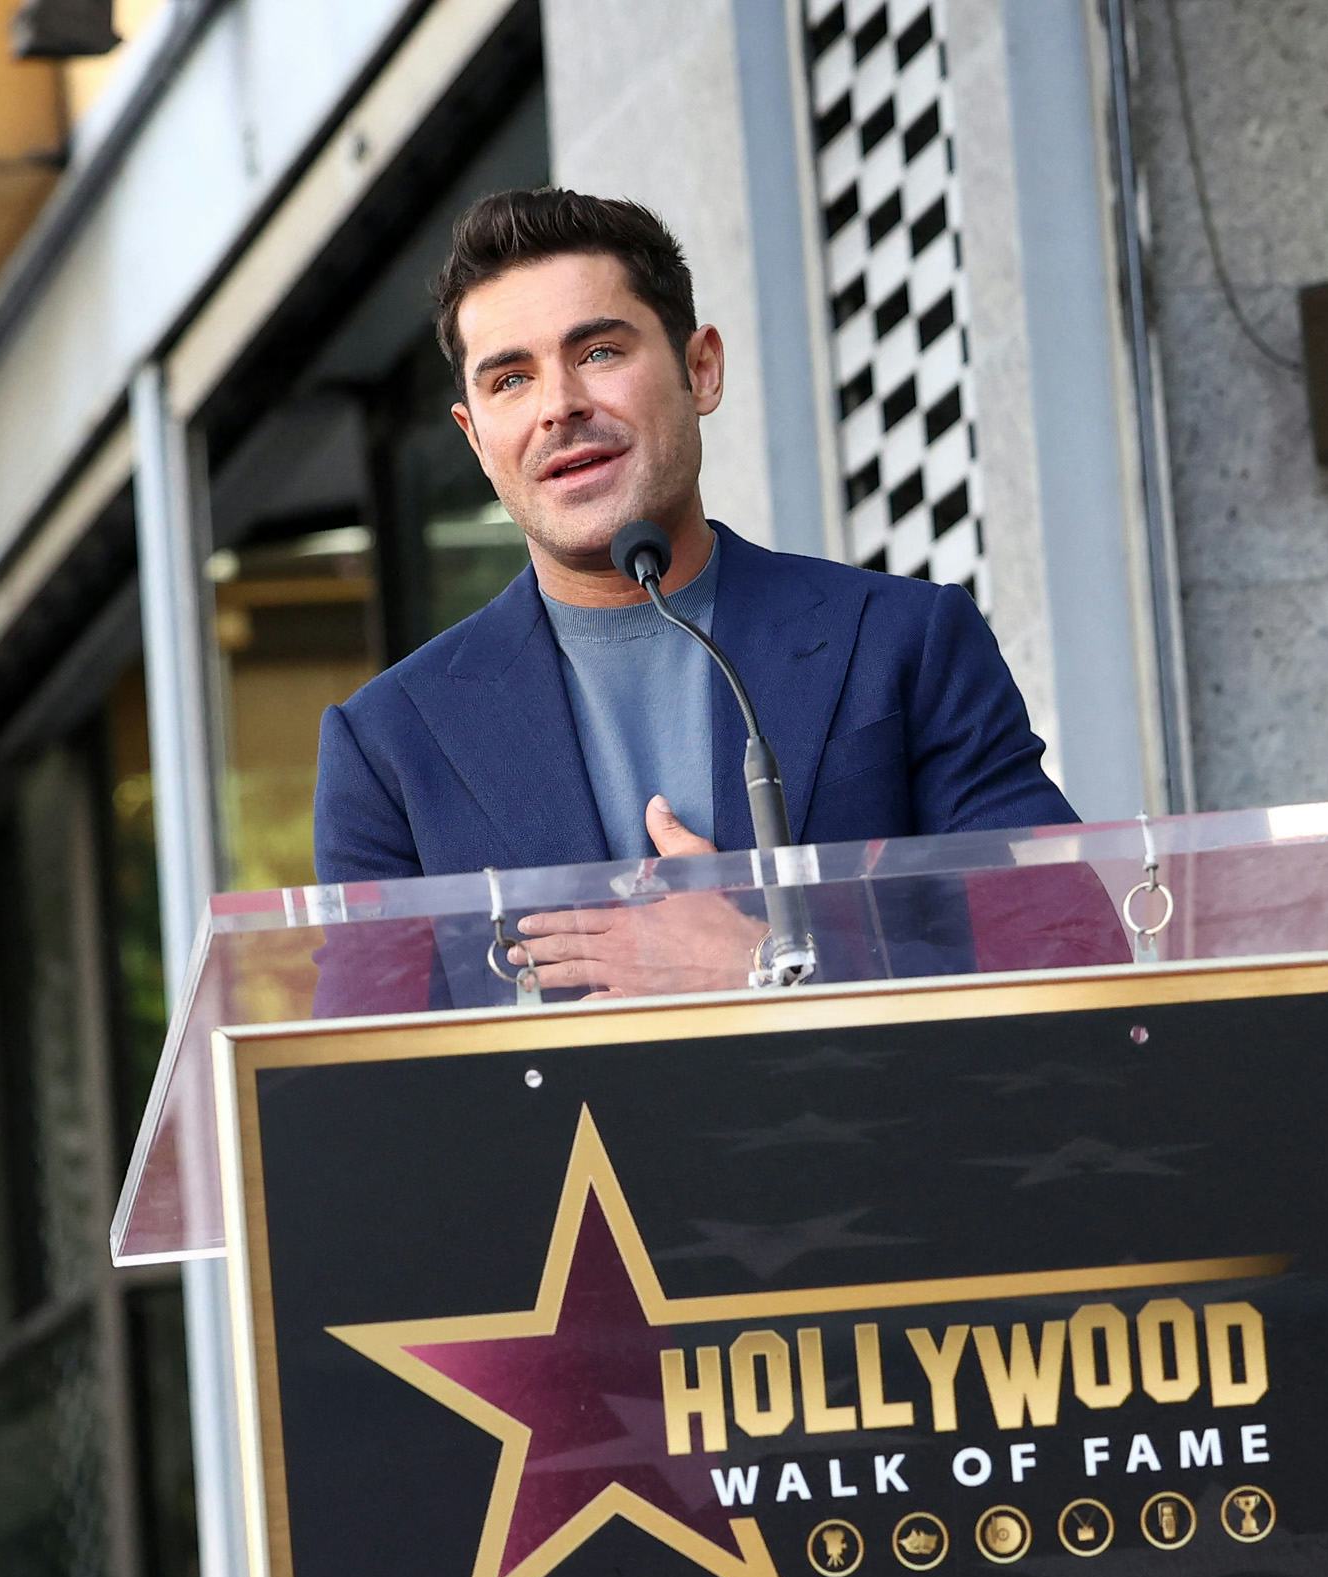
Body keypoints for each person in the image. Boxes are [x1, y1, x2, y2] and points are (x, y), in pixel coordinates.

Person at [312, 188, 1077, 995]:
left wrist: (769, 960)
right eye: (510, 380)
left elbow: (1071, 949)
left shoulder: (903, 642)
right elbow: (365, 1086)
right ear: (475, 440)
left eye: (599, 352)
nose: (559, 406)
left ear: (700, 369)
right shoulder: (390, 747)